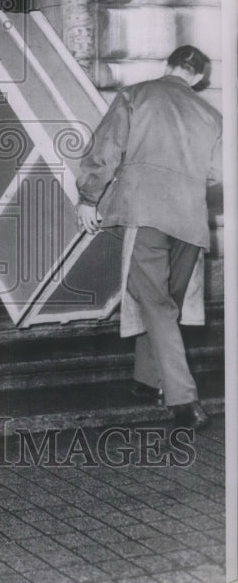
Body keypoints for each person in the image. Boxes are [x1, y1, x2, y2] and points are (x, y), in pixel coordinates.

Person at [76, 45, 222, 431]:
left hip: (146, 212)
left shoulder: (136, 95)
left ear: (167, 65)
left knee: (155, 302)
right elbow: (218, 175)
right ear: (197, 78)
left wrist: (89, 197)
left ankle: (184, 401)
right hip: (190, 220)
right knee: (164, 301)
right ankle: (146, 381)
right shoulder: (211, 114)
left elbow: (105, 149)